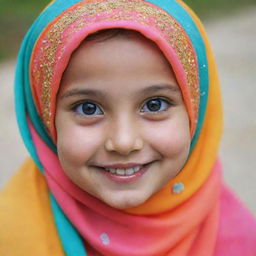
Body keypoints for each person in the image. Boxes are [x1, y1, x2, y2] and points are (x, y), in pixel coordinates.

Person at [1, 0, 256, 255]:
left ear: (196, 110)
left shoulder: (239, 239)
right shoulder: (10, 235)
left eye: (155, 105)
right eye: (88, 108)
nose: (123, 142)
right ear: (44, 118)